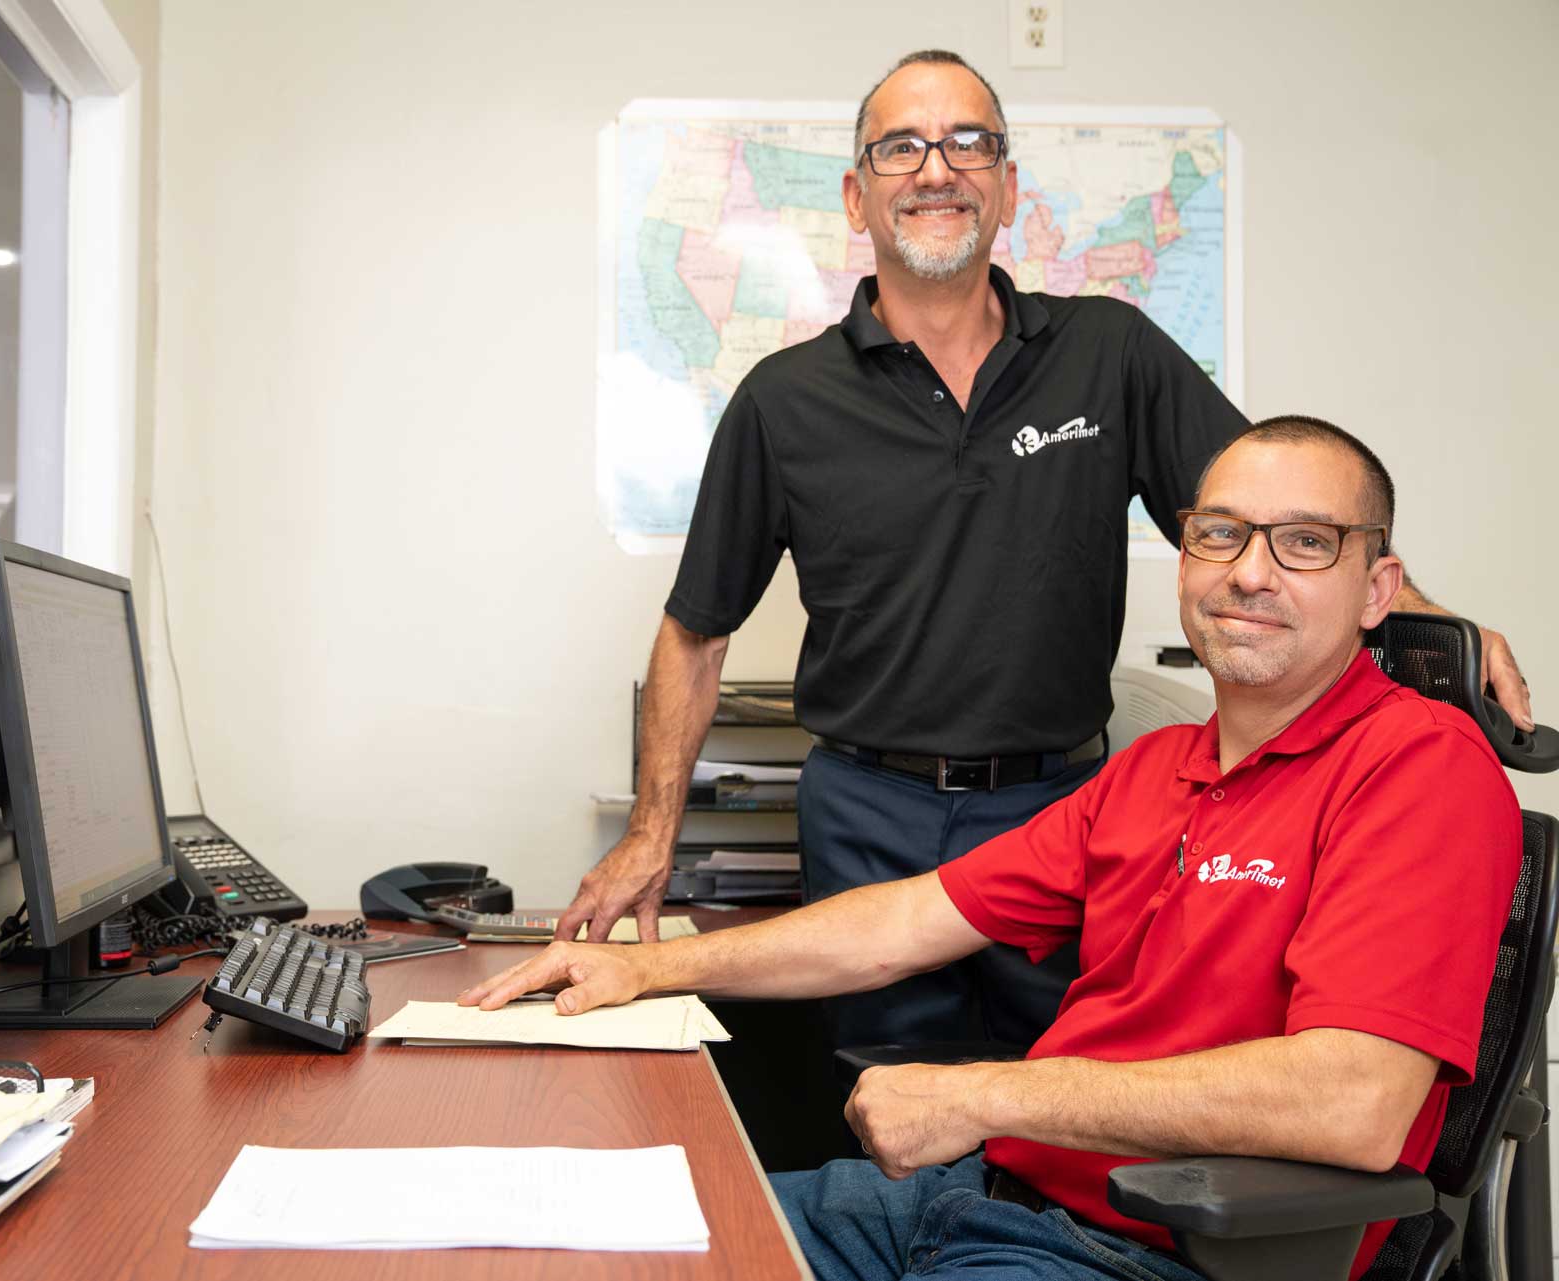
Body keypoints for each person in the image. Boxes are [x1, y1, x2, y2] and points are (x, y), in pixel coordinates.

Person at [559, 50, 1534, 1053]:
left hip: (1062, 808)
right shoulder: (782, 400)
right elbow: (695, 633)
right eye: (902, 148)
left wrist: (1438, 628)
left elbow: (1287, 521)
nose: (937, 169)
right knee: (880, 1102)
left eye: (968, 143)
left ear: (1009, 185)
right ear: (856, 197)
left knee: (1069, 1086)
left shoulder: (1110, 351)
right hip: (866, 812)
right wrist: (650, 835)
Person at [480, 418, 1523, 1281]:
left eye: (1304, 543)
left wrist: (978, 1097)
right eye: (1220, 535)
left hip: (1146, 1252)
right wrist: (643, 969)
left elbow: (1353, 1103)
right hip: (979, 1199)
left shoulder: (1419, 766)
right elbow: (903, 922)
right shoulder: (1155, 768)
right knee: (576, 1246)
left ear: (1379, 588)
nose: (1249, 573)